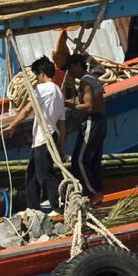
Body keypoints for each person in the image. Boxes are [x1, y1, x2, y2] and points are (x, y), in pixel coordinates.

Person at [21, 58, 66, 211]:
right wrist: (60, 145)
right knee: (32, 176)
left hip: (43, 138)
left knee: (44, 175)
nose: (37, 80)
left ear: (41, 73)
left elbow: (27, 109)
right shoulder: (59, 92)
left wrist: (12, 126)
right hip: (47, 137)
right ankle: (33, 209)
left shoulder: (43, 89)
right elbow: (62, 124)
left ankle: (57, 206)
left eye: (37, 75)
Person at [63, 54, 106, 199]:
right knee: (94, 160)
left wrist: (68, 105)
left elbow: (88, 107)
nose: (69, 72)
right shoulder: (94, 79)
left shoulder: (85, 82)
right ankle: (99, 192)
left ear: (77, 65)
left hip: (92, 121)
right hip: (101, 121)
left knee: (79, 160)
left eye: (70, 68)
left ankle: (91, 193)